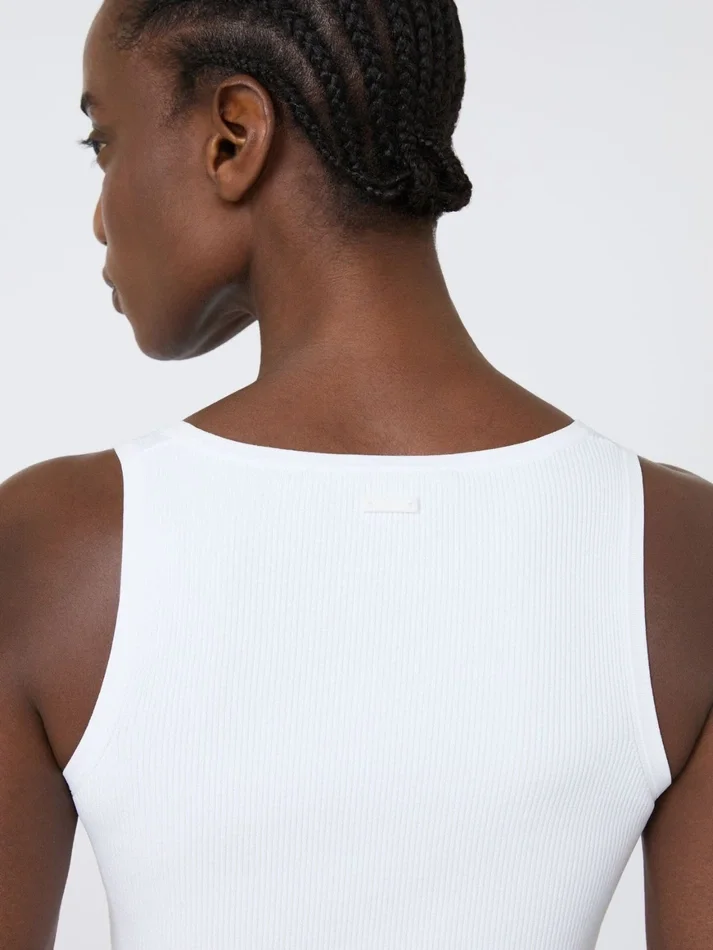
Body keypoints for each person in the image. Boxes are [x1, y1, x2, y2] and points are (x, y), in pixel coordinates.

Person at [0, 1, 711, 947]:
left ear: (232, 137)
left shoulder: (52, 551)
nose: (100, 217)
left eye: (104, 142)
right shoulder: (679, 554)